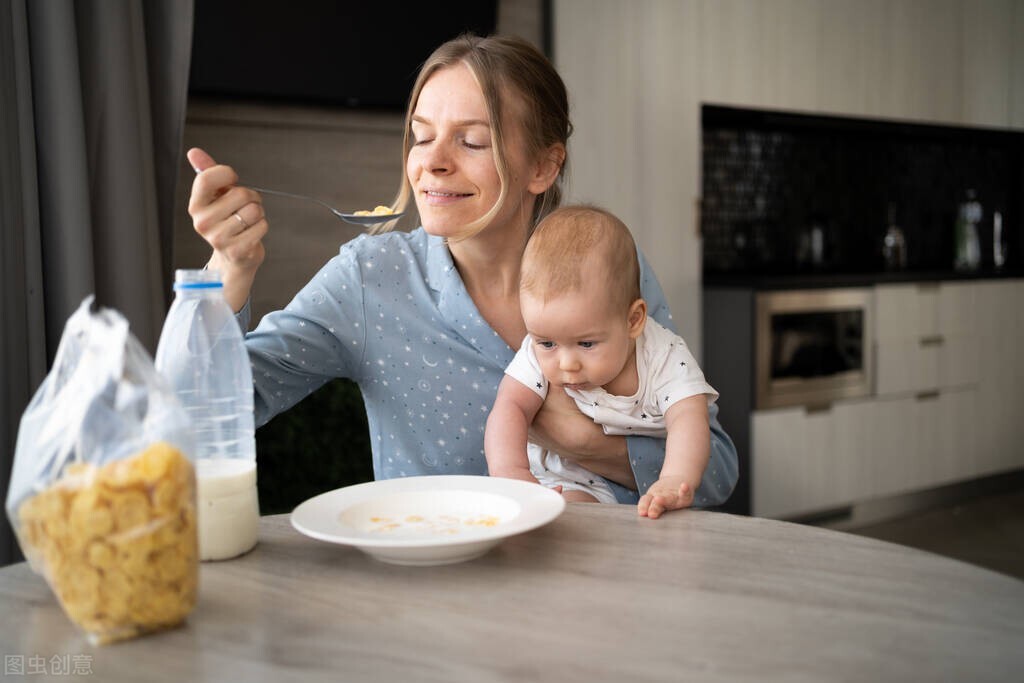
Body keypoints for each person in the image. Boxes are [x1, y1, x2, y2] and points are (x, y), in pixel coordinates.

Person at [184, 33, 738, 506]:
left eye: (471, 140)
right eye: (422, 136)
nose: (432, 160)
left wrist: (581, 442)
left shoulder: (605, 265)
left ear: (542, 166)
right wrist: (228, 269)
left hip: (602, 592)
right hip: (438, 600)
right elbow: (200, 418)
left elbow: (715, 474)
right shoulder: (369, 279)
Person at [484, 206, 718, 518]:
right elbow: (509, 406)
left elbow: (688, 418)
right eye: (547, 343)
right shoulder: (535, 350)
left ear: (633, 321)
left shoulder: (662, 356)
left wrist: (675, 478)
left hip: (621, 487)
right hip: (555, 475)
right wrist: (512, 474)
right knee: (562, 523)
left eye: (586, 343)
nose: (566, 363)